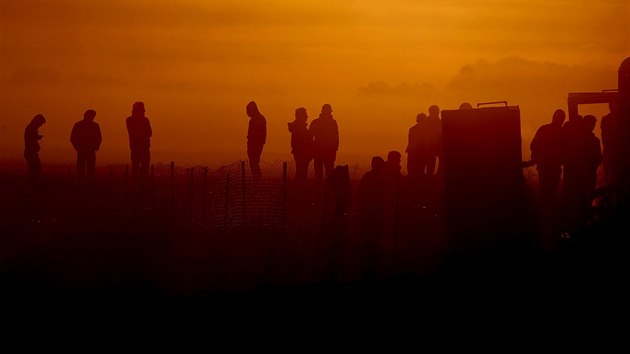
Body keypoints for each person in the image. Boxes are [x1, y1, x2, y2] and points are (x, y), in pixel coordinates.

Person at [530, 109, 565, 205]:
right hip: (549, 167)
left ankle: (544, 211)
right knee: (549, 192)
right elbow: (533, 145)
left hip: (547, 167)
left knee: (545, 192)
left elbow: (533, 145)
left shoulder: (544, 129)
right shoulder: (562, 133)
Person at [70, 109, 102, 182]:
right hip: (83, 149)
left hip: (90, 149)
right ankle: (82, 182)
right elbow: (72, 137)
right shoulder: (79, 125)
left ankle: (88, 182)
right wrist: (77, 147)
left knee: (90, 168)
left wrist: (97, 146)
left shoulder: (95, 125)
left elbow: (99, 137)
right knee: (81, 168)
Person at [310, 104, 339, 179]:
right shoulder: (332, 123)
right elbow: (310, 138)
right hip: (321, 152)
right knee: (321, 174)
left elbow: (336, 138)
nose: (329, 114)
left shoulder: (332, 123)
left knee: (327, 174)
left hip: (326, 152)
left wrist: (334, 150)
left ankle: (324, 189)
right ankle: (321, 189)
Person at [126, 101, 152, 184]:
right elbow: (147, 133)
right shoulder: (130, 120)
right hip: (137, 148)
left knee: (144, 170)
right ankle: (137, 187)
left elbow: (149, 133)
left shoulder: (144, 120)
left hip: (143, 148)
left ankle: (142, 186)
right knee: (136, 170)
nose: (144, 111)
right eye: (142, 109)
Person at [288, 107, 313, 181]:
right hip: (302, 154)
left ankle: (299, 188)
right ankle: (299, 189)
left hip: (302, 153)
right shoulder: (299, 128)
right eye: (305, 115)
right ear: (300, 116)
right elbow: (303, 141)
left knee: (301, 173)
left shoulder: (298, 127)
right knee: (301, 173)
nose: (307, 117)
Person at [246, 101, 266, 178]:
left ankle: (257, 178)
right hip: (254, 145)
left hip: (255, 145)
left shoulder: (258, 119)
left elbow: (260, 135)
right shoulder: (256, 119)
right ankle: (257, 178)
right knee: (253, 163)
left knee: (254, 163)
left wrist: (256, 144)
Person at [24, 114, 46, 185]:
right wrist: (36, 138)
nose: (41, 125)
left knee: (34, 169)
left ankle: (31, 184)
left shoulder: (31, 128)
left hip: (31, 152)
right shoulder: (31, 128)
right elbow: (30, 139)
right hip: (31, 152)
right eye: (41, 123)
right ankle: (32, 185)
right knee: (35, 170)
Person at [405, 113, 426, 181]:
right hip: (416, 152)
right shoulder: (415, 129)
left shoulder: (413, 129)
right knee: (416, 170)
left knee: (416, 170)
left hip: (415, 152)